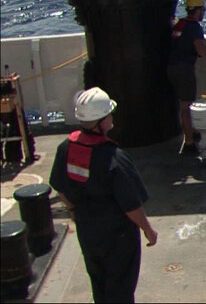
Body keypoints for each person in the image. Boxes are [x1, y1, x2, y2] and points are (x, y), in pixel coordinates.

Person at [49, 87, 157, 303]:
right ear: (101, 121)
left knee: (99, 284)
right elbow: (131, 206)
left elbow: (59, 186)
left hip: (88, 231)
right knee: (120, 289)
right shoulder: (114, 158)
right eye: (109, 114)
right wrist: (148, 229)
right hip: (118, 237)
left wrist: (73, 210)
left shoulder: (65, 148)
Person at [167, 0, 206, 156]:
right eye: (202, 9)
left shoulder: (180, 24)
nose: (203, 13)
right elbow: (202, 51)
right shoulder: (194, 27)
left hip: (172, 67)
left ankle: (190, 131)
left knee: (181, 103)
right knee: (186, 105)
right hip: (184, 70)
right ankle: (189, 142)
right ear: (197, 10)